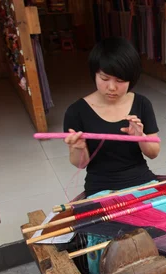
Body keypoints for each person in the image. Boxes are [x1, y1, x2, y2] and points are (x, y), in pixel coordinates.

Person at [63, 37, 160, 197]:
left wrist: (141, 138)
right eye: (104, 78)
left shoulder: (142, 104)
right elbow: (80, 164)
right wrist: (79, 148)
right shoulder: (76, 112)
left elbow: (153, 153)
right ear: (94, 74)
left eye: (120, 80)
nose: (112, 87)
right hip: (100, 188)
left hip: (142, 181)